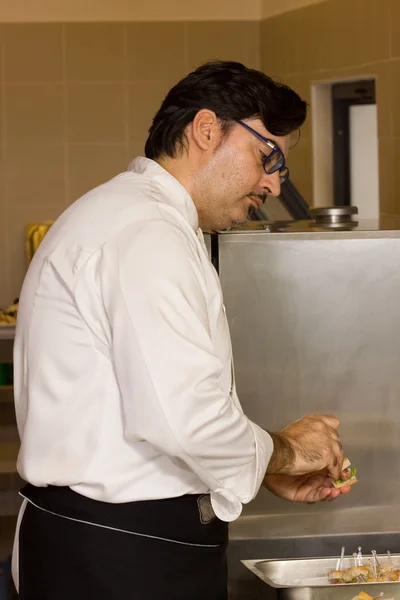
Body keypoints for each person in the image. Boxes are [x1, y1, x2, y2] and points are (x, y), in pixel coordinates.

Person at [12, 60, 351, 600]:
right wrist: (287, 450)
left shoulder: (146, 218)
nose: (273, 182)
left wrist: (259, 467)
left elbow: (162, 412)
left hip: (125, 541)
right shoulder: (145, 232)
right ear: (207, 129)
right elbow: (185, 420)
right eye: (269, 157)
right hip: (118, 554)